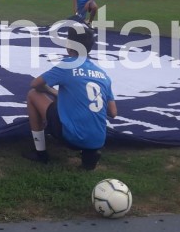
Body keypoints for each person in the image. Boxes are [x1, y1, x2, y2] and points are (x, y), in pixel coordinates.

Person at [24, 23, 117, 170]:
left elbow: (35, 84)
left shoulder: (68, 65)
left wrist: (51, 91)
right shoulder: (103, 74)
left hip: (71, 137)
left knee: (33, 95)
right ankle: (89, 155)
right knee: (70, 104)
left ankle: (40, 153)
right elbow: (113, 112)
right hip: (98, 140)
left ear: (69, 46)